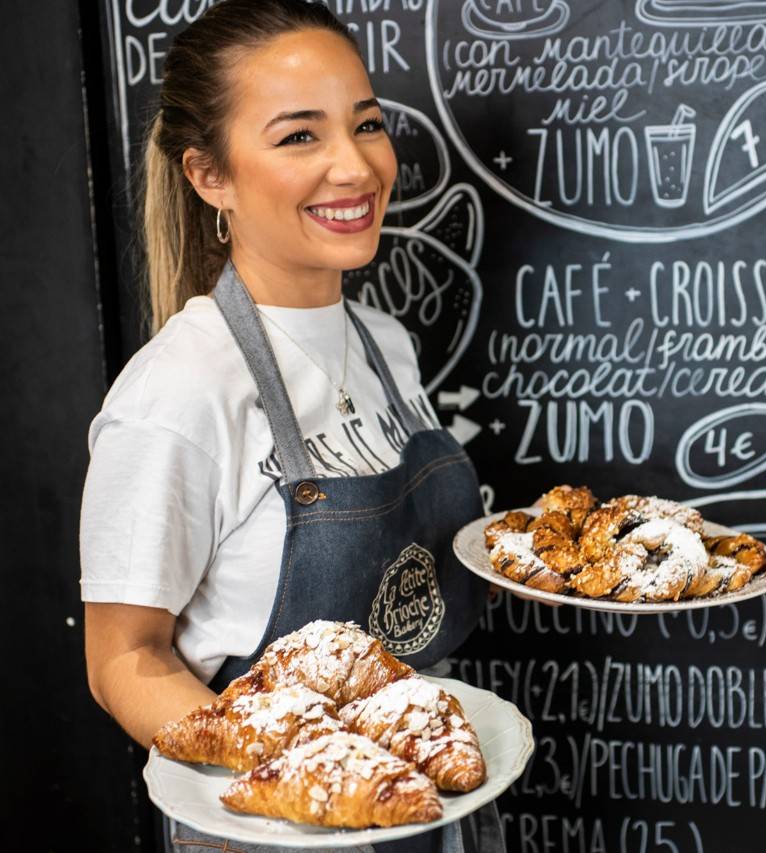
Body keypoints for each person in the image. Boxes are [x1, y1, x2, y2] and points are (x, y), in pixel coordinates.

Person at [79, 2, 502, 850]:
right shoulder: (179, 390)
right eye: (299, 137)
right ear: (210, 177)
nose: (355, 167)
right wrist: (309, 769)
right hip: (278, 820)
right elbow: (122, 659)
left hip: (433, 790)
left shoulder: (386, 343)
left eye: (367, 124)